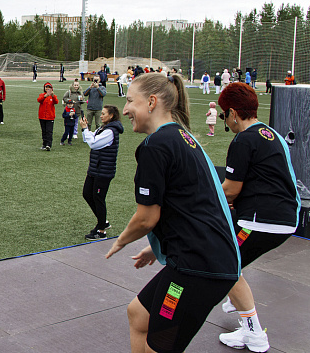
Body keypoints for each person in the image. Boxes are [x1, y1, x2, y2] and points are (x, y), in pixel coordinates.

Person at [106, 72, 240, 353]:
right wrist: (156, 249)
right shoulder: (180, 137)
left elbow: (146, 218)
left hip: (198, 268)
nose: (126, 108)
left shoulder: (156, 146)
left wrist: (121, 240)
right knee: (138, 314)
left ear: (152, 102)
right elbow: (189, 203)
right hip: (201, 260)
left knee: (160, 346)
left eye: (131, 101)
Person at [216, 82, 299, 352]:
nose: (225, 121)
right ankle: (237, 306)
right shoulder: (270, 134)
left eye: (223, 116)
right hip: (286, 220)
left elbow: (231, 190)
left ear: (232, 113)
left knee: (224, 263)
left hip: (260, 220)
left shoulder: (244, 140)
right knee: (232, 264)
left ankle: (253, 334)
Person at [79, 105, 123, 240]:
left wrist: (85, 129)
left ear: (111, 116)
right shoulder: (103, 128)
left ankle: (101, 230)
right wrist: (85, 129)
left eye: (104, 114)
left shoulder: (110, 131)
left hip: (103, 171)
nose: (101, 115)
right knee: (87, 193)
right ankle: (103, 221)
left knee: (98, 198)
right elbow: (90, 138)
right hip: (95, 169)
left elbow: (93, 143)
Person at [37, 82, 58, 151]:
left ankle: (48, 144)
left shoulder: (53, 96)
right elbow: (39, 100)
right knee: (44, 131)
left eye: (49, 87)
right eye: (46, 87)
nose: (47, 89)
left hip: (50, 117)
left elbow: (56, 102)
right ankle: (44, 144)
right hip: (42, 116)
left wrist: (52, 96)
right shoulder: (42, 95)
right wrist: (45, 96)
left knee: (49, 131)